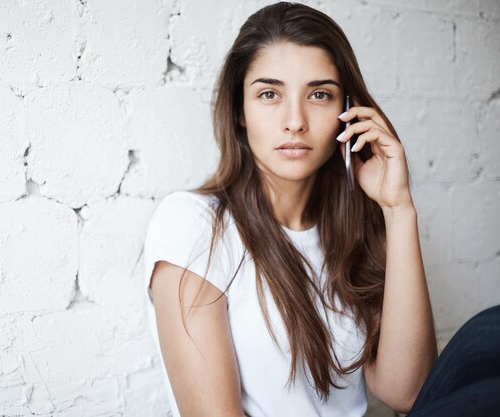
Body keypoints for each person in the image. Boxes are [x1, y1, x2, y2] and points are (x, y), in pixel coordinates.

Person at [142, 2, 500, 416]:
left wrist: (398, 209)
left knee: (490, 332)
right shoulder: (195, 225)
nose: (295, 121)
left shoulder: (350, 230)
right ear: (240, 110)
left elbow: (408, 392)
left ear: (346, 113)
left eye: (319, 94)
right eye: (269, 94)